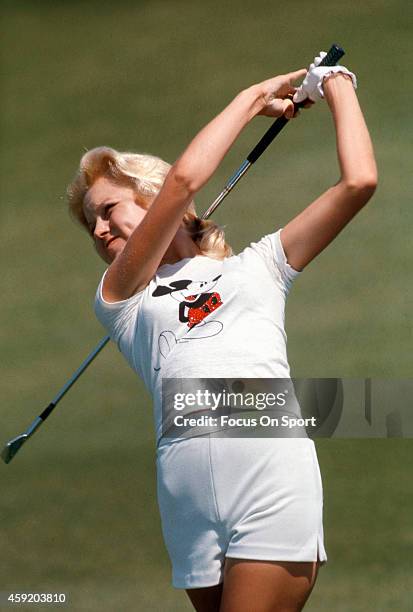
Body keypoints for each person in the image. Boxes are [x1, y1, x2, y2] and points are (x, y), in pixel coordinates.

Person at [67, 53, 377, 612]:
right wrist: (260, 94)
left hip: (268, 476)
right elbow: (186, 180)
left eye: (109, 209)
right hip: (186, 500)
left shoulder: (260, 267)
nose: (98, 227)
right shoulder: (120, 295)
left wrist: (335, 84)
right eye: (90, 221)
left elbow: (359, 182)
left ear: (148, 193)